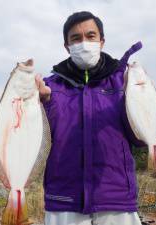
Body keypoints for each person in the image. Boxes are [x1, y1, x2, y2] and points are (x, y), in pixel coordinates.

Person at [35, 11, 146, 225]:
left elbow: (141, 139)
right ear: (66, 46)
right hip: (63, 199)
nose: (84, 43)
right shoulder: (50, 87)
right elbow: (35, 141)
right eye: (76, 39)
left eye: (91, 36)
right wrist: (41, 103)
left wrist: (139, 95)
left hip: (116, 198)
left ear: (102, 41)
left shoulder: (122, 82)